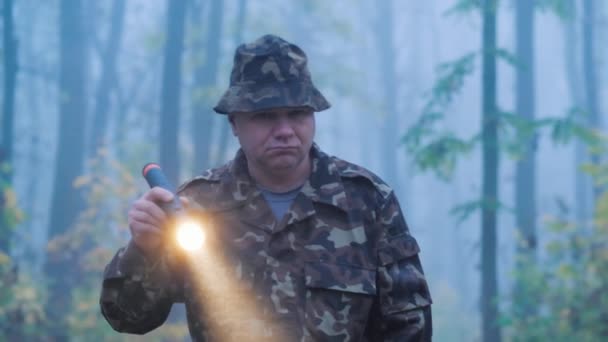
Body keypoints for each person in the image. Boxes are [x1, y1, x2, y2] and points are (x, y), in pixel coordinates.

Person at [100, 34, 432, 341]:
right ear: (234, 123)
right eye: (265, 116)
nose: (285, 130)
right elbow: (128, 317)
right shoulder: (196, 206)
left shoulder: (367, 201)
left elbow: (409, 328)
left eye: (297, 114)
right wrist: (144, 249)